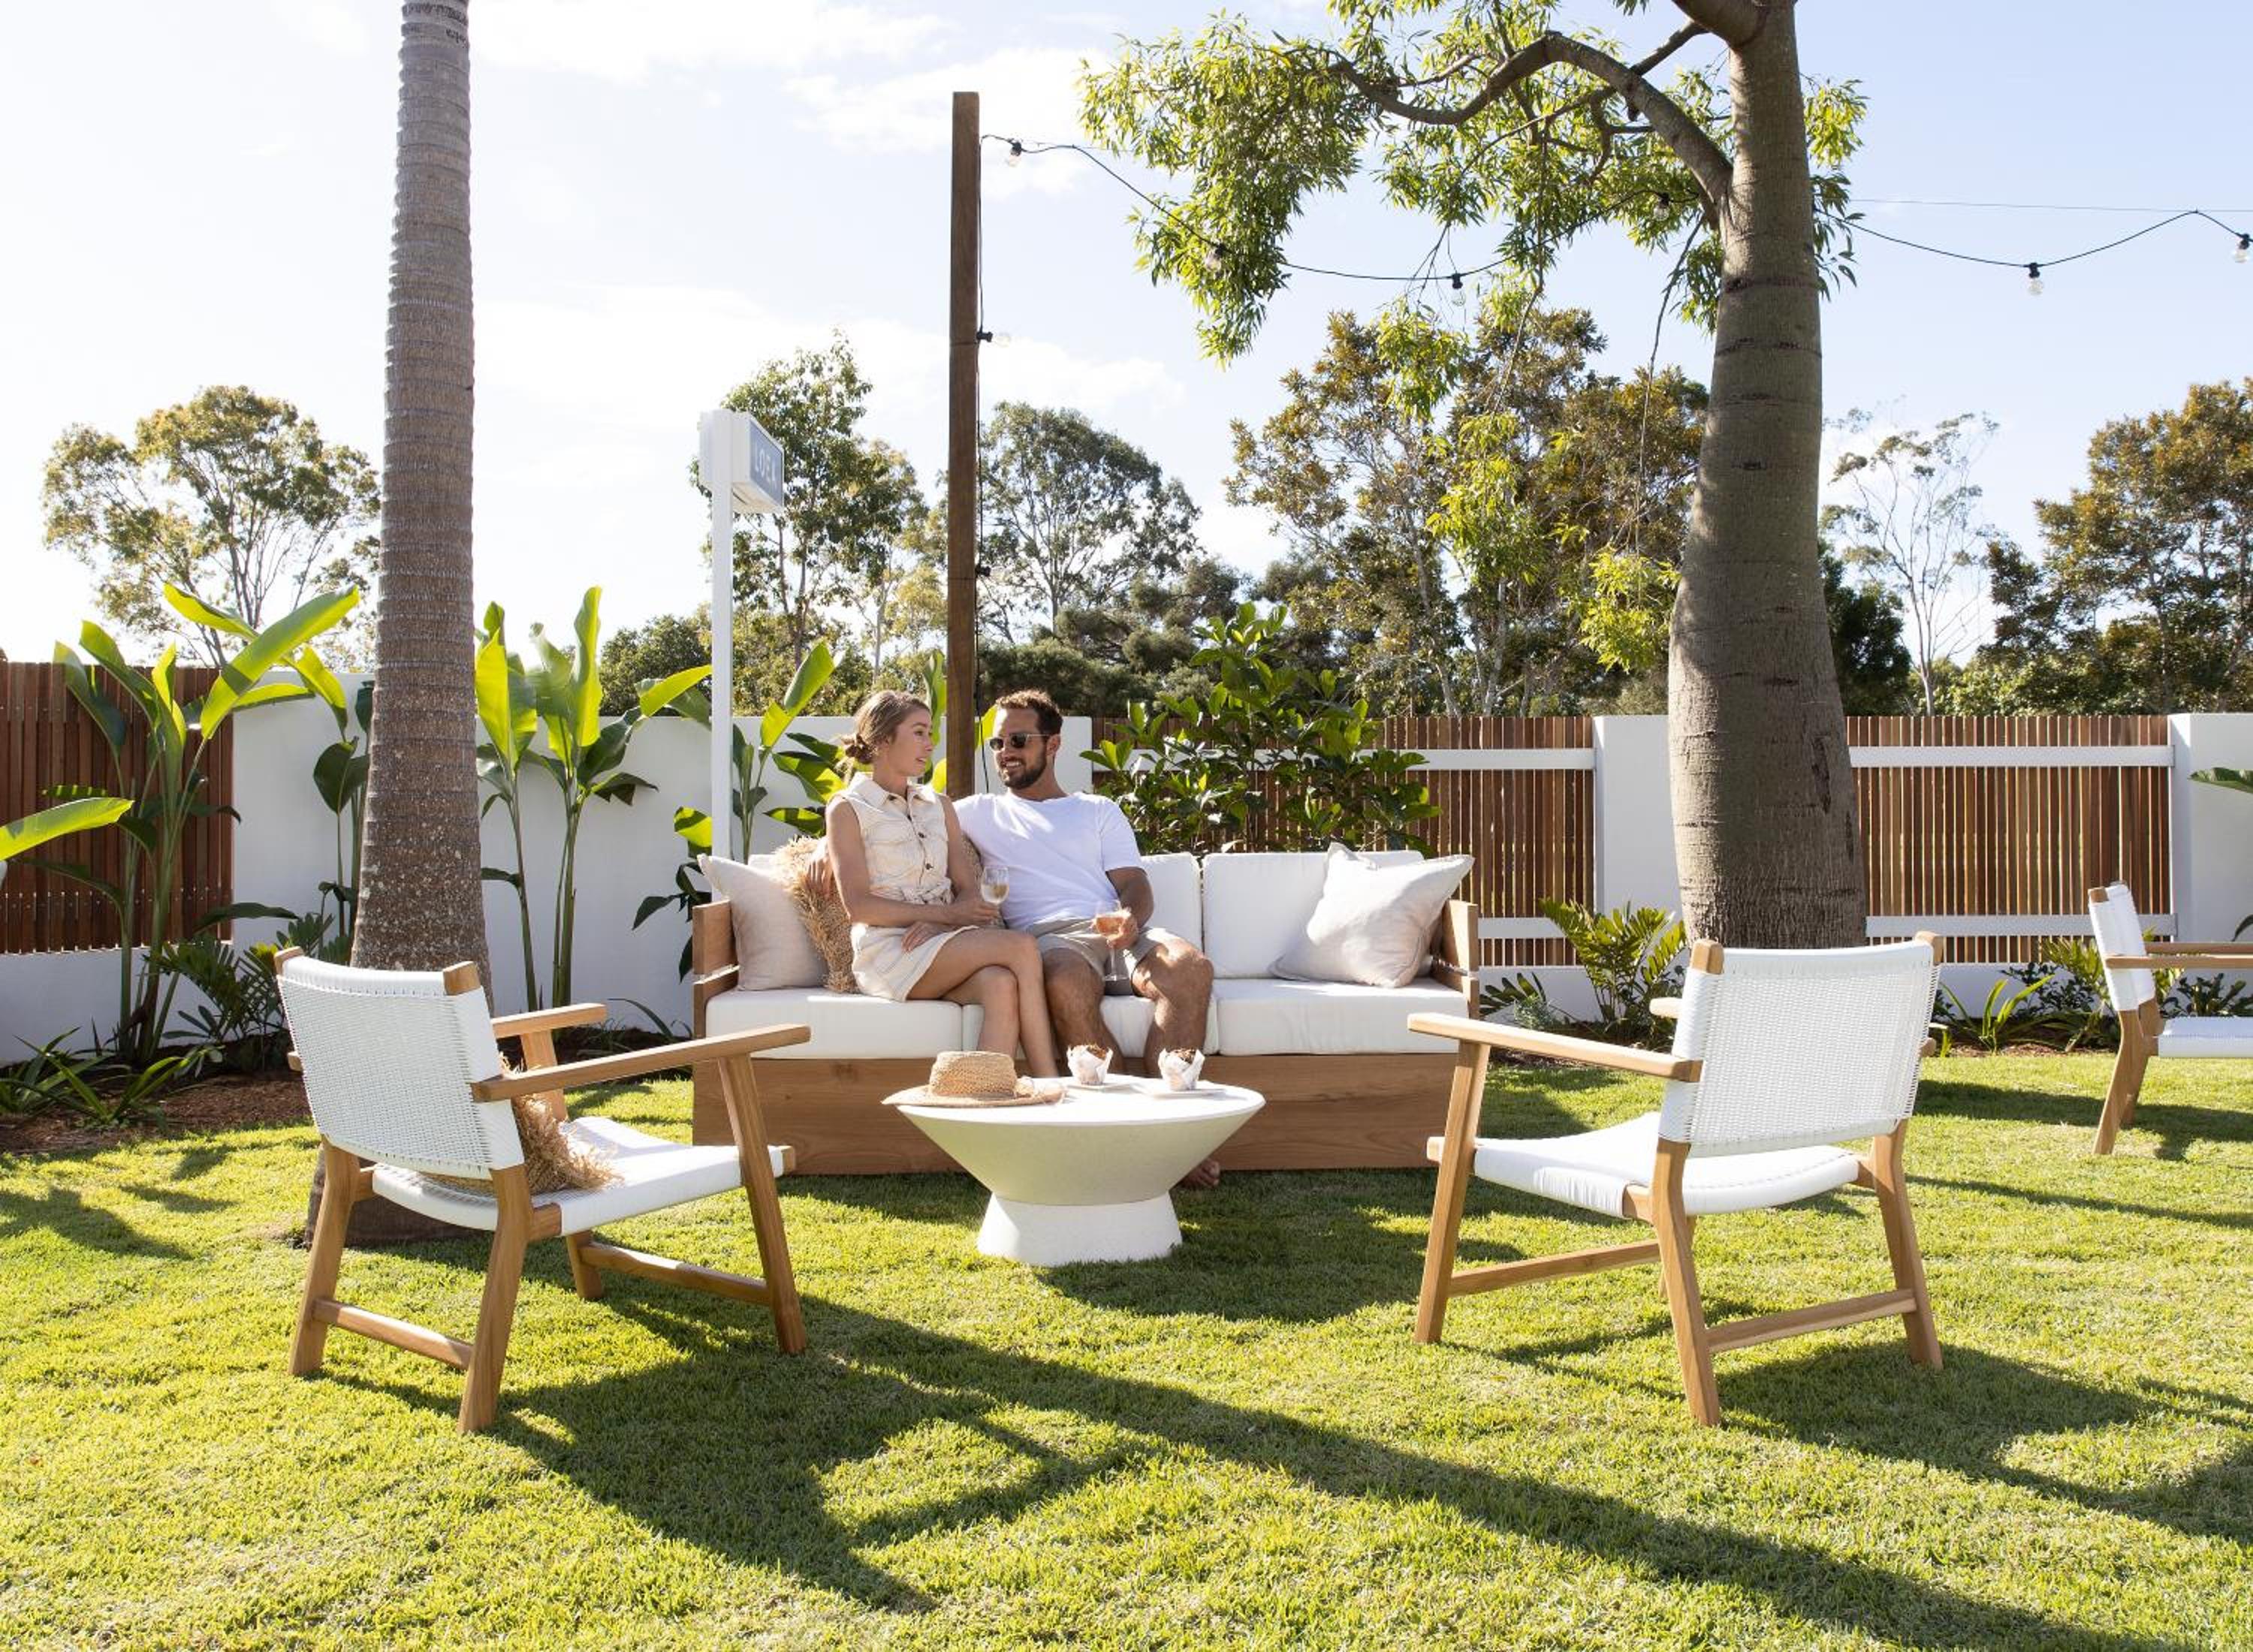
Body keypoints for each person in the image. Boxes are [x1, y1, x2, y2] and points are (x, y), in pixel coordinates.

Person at [952, 689, 1216, 1083]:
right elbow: (904, 816)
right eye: (997, 743)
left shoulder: (1097, 810)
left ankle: (1171, 1096)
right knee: (1066, 981)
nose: (1006, 752)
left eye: (1018, 740)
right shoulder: (978, 812)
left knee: (1190, 966)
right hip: (1053, 940)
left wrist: (1130, 917)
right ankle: (1116, 1104)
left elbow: (1134, 881)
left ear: (1053, 744)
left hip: (1115, 929)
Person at [824, 690, 1060, 1078]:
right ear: (883, 740)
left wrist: (942, 923)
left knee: (1000, 984)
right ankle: (1051, 1082)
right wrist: (946, 915)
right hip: (891, 951)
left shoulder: (940, 806)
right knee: (1020, 946)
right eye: (919, 732)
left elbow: (967, 889)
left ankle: (988, 1095)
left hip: (941, 941)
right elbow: (859, 907)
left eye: (930, 733)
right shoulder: (848, 809)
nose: (930, 743)